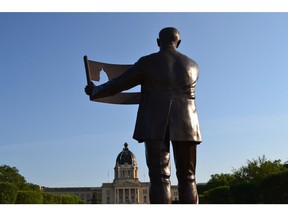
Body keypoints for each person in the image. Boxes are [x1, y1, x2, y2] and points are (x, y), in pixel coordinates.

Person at [85, 27, 202, 204]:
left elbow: (119, 84)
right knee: (188, 177)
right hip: (188, 123)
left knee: (160, 177)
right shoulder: (193, 65)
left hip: (155, 121)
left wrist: (96, 91)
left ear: (157, 42)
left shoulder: (148, 62)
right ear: (178, 43)